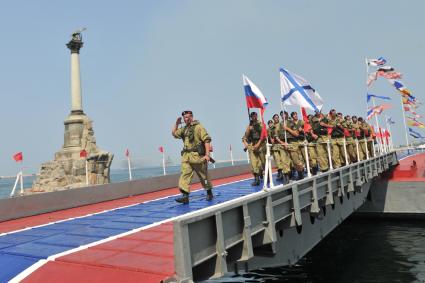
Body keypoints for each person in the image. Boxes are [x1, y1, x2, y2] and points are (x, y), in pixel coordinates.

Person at [172, 110, 214, 204]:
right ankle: (185, 196)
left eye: (187, 117)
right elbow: (174, 134)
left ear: (191, 117)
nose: (186, 119)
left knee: (204, 177)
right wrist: (177, 124)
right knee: (185, 175)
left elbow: (206, 140)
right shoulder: (184, 129)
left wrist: (207, 155)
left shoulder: (199, 127)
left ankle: (209, 192)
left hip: (198, 156)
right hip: (186, 157)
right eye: (184, 117)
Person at [243, 112, 266, 186]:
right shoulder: (249, 126)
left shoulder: (261, 124)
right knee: (253, 163)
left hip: (260, 144)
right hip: (252, 145)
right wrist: (248, 130)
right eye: (252, 116)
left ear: (257, 116)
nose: (254, 117)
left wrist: (258, 144)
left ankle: (266, 175)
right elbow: (245, 137)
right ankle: (256, 179)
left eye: (255, 115)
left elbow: (263, 136)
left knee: (263, 162)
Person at [272, 113, 291, 183]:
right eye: (275, 117)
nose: (276, 118)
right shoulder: (271, 127)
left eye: (277, 117)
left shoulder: (281, 124)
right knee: (278, 160)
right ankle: (283, 175)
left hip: (284, 143)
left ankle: (289, 173)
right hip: (276, 145)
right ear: (273, 119)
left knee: (287, 160)